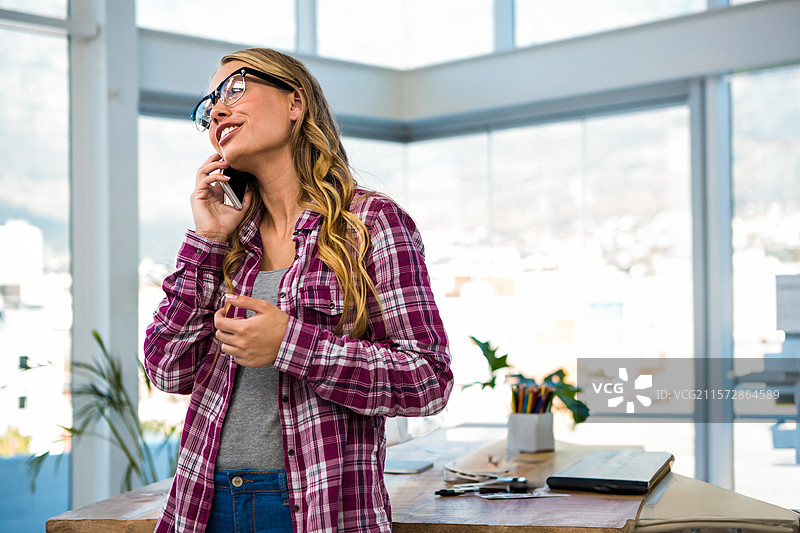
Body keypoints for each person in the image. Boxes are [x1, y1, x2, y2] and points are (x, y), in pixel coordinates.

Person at [143, 47, 453, 533]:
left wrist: (292, 345)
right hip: (204, 504)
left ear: (295, 102)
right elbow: (167, 369)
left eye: (235, 89)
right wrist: (205, 241)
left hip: (311, 507)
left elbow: (428, 380)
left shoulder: (370, 223)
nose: (218, 110)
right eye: (210, 105)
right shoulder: (227, 239)